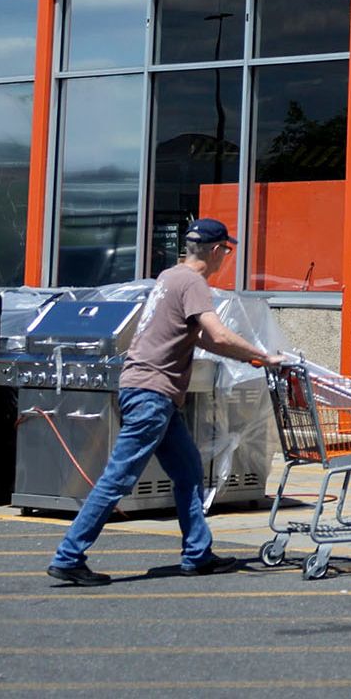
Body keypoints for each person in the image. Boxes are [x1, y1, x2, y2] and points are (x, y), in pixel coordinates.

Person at [47, 217, 276, 586]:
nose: (225, 259)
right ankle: (69, 555)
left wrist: (249, 355)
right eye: (226, 252)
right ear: (218, 251)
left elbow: (201, 337)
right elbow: (216, 332)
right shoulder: (194, 283)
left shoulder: (169, 277)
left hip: (152, 392)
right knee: (118, 478)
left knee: (187, 471)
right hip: (153, 394)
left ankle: (197, 555)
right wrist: (265, 356)